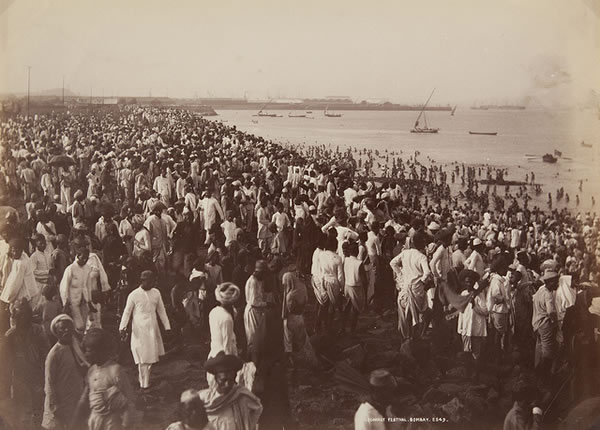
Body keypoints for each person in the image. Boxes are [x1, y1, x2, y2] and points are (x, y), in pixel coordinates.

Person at [119, 270, 171, 390]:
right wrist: (123, 327)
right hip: (139, 330)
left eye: (154, 280)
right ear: (143, 281)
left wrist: (167, 327)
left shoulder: (156, 293)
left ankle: (143, 380)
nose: (153, 283)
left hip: (153, 329)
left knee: (150, 357)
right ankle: (144, 385)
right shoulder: (134, 295)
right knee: (142, 358)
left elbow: (161, 311)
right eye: (150, 281)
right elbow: (127, 312)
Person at [73, 328, 133, 430]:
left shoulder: (115, 371)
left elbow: (129, 400)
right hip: (94, 419)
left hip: (112, 422)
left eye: (89, 351)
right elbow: (85, 398)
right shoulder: (91, 371)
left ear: (100, 351)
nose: (86, 355)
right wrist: (75, 420)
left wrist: (125, 425)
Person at [5, 299, 49, 428]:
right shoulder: (10, 335)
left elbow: (46, 352)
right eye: (17, 315)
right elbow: (6, 362)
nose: (20, 318)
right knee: (21, 411)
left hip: (36, 375)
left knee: (37, 409)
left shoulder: (38, 330)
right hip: (19, 378)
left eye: (23, 314)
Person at [42, 314, 85, 430]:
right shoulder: (54, 354)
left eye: (68, 327)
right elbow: (49, 383)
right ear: (56, 332)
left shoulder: (76, 349)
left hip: (75, 399)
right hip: (60, 402)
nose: (66, 331)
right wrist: (55, 407)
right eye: (62, 328)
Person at [199, 352, 263, 430]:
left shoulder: (241, 395)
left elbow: (258, 408)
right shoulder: (205, 399)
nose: (227, 384)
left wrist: (248, 425)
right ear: (216, 378)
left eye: (231, 380)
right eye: (223, 380)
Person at [390, 230, 432, 341]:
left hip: (405, 287)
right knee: (422, 312)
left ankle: (407, 337)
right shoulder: (422, 257)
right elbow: (427, 272)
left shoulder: (405, 253)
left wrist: (401, 275)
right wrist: (422, 281)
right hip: (416, 289)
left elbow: (393, 263)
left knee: (406, 314)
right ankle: (417, 336)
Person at [532, 270, 559, 383]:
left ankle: (536, 372)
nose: (557, 284)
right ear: (550, 282)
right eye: (555, 282)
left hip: (536, 323)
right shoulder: (548, 294)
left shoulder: (540, 289)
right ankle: (543, 377)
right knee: (547, 352)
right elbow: (551, 312)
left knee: (539, 349)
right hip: (545, 325)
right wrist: (555, 322)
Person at [244, 260, 269, 365]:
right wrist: (267, 304)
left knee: (260, 338)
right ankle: (252, 363)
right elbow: (253, 301)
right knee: (253, 338)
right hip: (253, 312)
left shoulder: (260, 280)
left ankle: (257, 362)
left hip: (259, 312)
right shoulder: (253, 281)